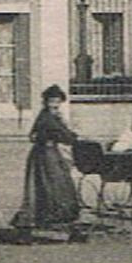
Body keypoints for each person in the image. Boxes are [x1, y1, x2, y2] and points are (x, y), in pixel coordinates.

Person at [10, 85, 83, 241]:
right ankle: (31, 229)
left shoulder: (49, 116)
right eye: (51, 101)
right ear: (46, 102)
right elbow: (66, 136)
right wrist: (72, 134)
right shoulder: (48, 118)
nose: (55, 104)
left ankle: (35, 228)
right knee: (57, 188)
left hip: (48, 154)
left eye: (57, 101)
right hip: (46, 156)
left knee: (50, 188)